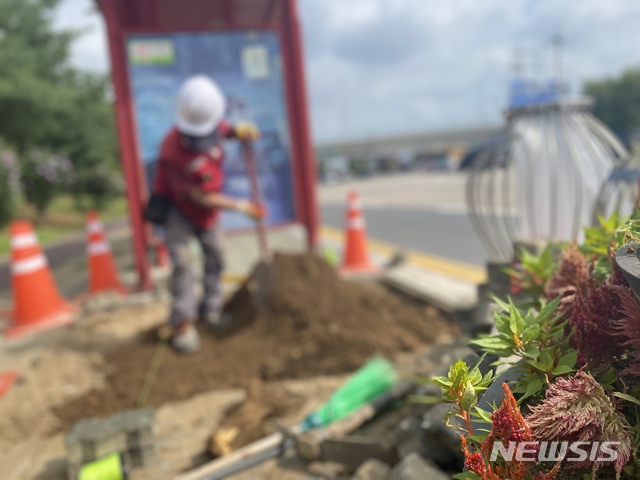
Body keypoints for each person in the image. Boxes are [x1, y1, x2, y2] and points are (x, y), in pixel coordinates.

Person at [152, 74, 263, 354]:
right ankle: (183, 323)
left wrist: (240, 131)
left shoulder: (213, 125)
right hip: (179, 207)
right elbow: (199, 197)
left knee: (217, 256)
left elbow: (224, 130)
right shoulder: (171, 151)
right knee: (183, 264)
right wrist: (241, 207)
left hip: (207, 213)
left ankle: (211, 311)